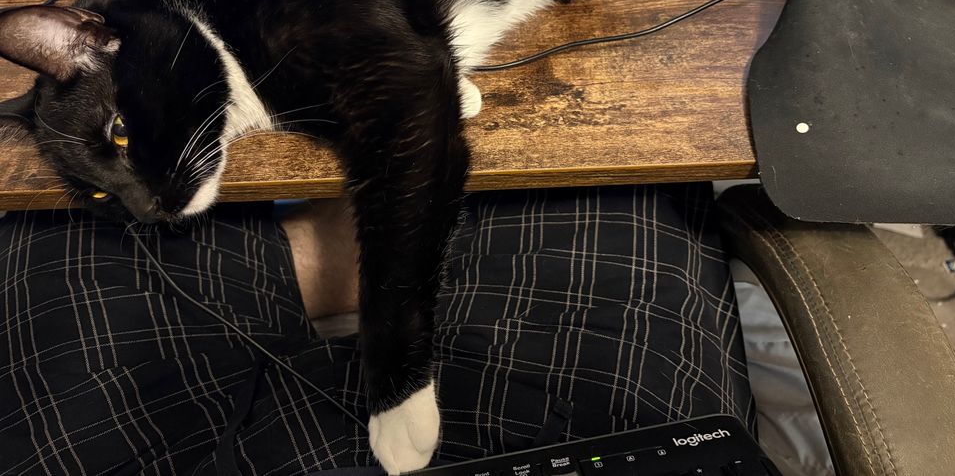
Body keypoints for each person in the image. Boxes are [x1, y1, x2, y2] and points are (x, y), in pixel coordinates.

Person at [0, 184, 754, 475]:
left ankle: (330, 253)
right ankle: (367, 244)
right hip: (547, 430)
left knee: (53, 242)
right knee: (606, 188)